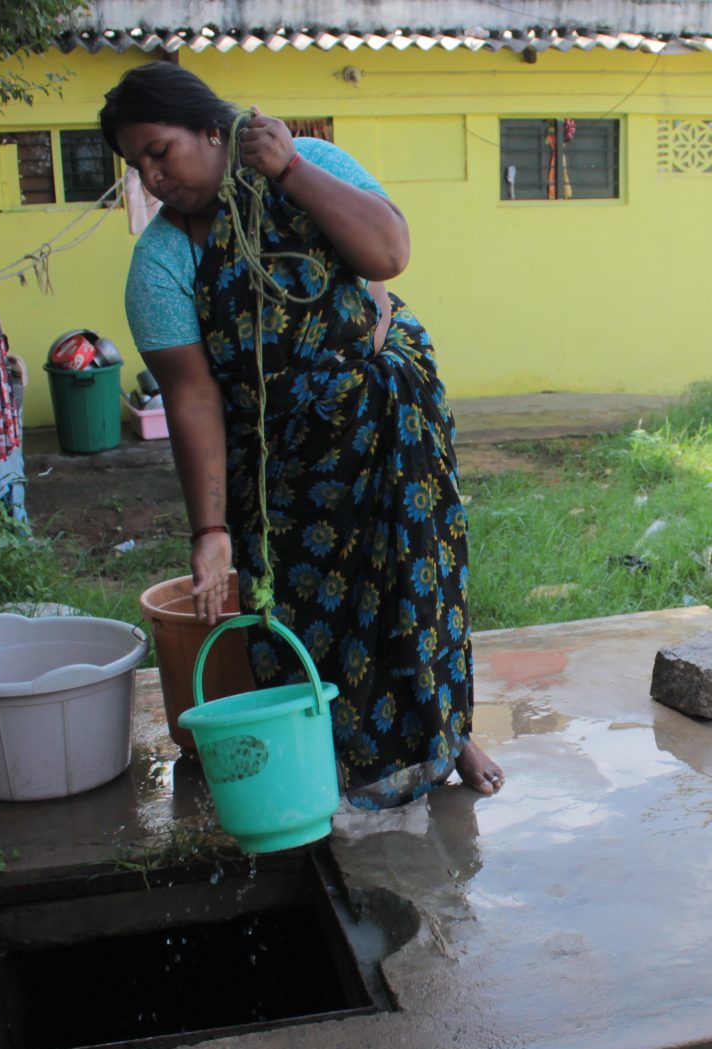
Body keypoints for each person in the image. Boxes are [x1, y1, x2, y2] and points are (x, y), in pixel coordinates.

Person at [101, 62, 506, 804]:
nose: (152, 177)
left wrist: (289, 169)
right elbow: (192, 398)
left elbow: (388, 254)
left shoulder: (307, 162)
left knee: (417, 586)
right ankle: (333, 769)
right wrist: (210, 530)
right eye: (137, 165)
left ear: (209, 127)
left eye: (159, 151)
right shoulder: (162, 262)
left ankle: (447, 734)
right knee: (309, 615)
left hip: (390, 429)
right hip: (284, 468)